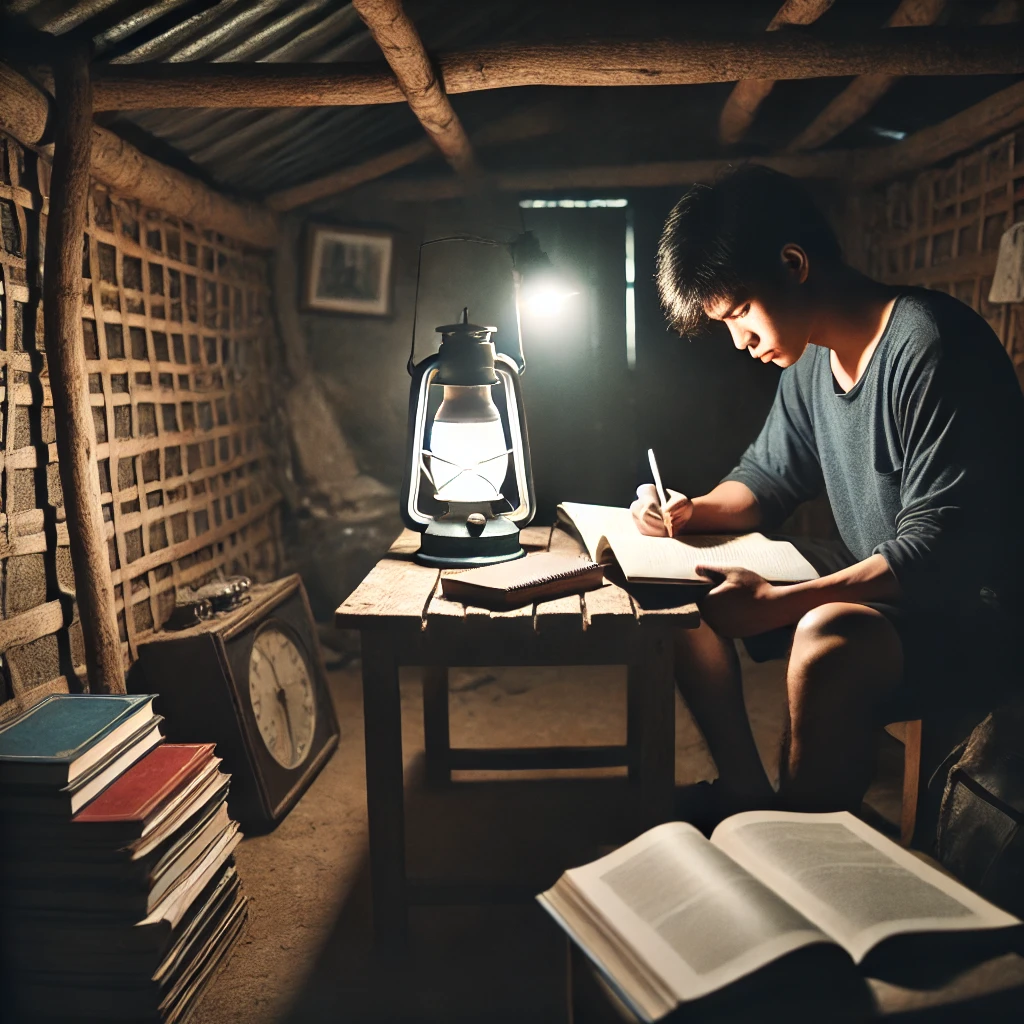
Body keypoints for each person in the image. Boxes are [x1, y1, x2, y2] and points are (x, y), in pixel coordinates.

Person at [634, 165, 1024, 817]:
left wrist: (783, 601)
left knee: (826, 637)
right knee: (679, 589)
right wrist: (690, 509)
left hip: (972, 608)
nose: (741, 341)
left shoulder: (930, 343)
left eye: (740, 314)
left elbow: (937, 551)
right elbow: (766, 479)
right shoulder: (811, 359)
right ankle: (746, 793)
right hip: (882, 572)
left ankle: (802, 842)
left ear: (793, 263)